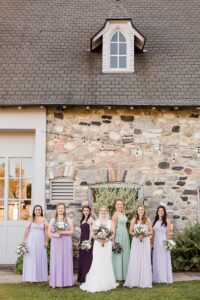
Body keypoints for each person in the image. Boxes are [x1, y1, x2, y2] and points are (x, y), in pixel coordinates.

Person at [80, 206, 118, 292]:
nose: (103, 212)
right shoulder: (95, 222)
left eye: (105, 210)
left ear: (107, 212)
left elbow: (112, 234)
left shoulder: (111, 222)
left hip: (107, 244)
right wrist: (100, 239)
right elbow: (92, 234)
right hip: (98, 244)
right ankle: (96, 282)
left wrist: (106, 239)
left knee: (107, 261)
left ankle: (108, 282)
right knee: (97, 261)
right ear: (99, 212)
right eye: (101, 210)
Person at [124, 204, 153, 288]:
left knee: (145, 259)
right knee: (135, 259)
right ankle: (134, 280)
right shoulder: (134, 220)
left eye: (142, 210)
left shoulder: (147, 220)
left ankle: (145, 281)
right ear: (137, 211)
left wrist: (144, 234)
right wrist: (137, 235)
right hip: (136, 242)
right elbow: (130, 231)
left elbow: (151, 231)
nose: (140, 211)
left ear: (144, 211)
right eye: (139, 210)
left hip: (145, 241)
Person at [49, 202, 74, 288]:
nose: (60, 210)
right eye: (59, 208)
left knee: (65, 260)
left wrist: (62, 232)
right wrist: (56, 235)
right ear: (56, 209)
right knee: (57, 260)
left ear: (64, 210)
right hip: (56, 242)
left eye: (62, 208)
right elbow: (48, 233)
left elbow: (71, 232)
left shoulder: (68, 220)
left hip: (66, 242)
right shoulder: (53, 220)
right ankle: (56, 282)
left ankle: (66, 282)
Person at [22, 205, 48, 282]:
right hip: (31, 240)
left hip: (40, 240)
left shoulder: (44, 219)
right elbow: (26, 230)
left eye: (39, 210)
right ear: (34, 211)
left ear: (41, 211)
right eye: (36, 210)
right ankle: (30, 277)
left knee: (40, 256)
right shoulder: (30, 219)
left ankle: (40, 277)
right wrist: (23, 240)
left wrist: (46, 241)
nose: (38, 211)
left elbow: (46, 231)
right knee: (31, 257)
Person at [152, 205, 173, 284]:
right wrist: (152, 243)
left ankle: (164, 277)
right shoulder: (154, 221)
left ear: (164, 212)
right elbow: (153, 234)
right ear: (157, 212)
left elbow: (168, 233)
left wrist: (167, 243)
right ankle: (157, 277)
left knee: (163, 259)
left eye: (162, 211)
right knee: (156, 259)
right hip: (156, 242)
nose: (160, 212)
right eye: (159, 210)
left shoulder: (167, 221)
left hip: (163, 241)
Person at [112, 198, 130, 281]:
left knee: (125, 253)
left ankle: (125, 275)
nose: (119, 206)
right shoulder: (115, 215)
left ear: (123, 205)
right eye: (118, 204)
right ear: (115, 206)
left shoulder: (123, 213)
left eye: (121, 204)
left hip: (124, 234)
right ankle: (118, 275)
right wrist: (113, 240)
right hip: (118, 235)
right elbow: (114, 228)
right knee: (118, 254)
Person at [77, 205, 94, 283]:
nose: (86, 212)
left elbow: (92, 231)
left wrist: (89, 241)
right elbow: (81, 232)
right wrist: (79, 242)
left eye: (87, 210)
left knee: (87, 260)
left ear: (89, 211)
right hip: (82, 240)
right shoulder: (83, 220)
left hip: (87, 241)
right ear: (83, 211)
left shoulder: (91, 219)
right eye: (84, 210)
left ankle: (86, 278)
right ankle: (81, 278)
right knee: (82, 259)